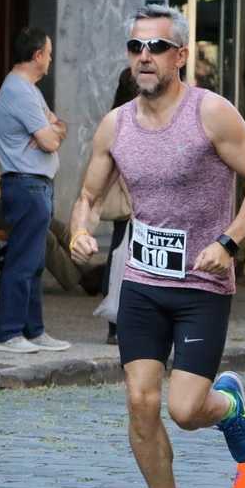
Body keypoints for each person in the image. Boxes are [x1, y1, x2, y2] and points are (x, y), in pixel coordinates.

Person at [69, 4, 245, 488]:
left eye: (157, 47)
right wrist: (80, 231)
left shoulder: (211, 113)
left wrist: (228, 242)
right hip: (142, 281)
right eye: (136, 47)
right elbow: (88, 195)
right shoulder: (116, 124)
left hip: (200, 285)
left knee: (185, 411)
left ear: (181, 55)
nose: (145, 56)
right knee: (141, 400)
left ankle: (229, 406)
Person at [0, 27, 72, 354]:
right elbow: (51, 140)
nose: (51, 59)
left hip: (37, 185)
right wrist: (50, 131)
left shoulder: (30, 90)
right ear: (37, 55)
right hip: (26, 185)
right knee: (22, 262)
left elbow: (59, 127)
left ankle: (33, 330)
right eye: (48, 53)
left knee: (36, 262)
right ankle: (8, 334)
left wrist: (52, 129)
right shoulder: (19, 92)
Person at [0, 109, 101, 295]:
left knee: (59, 228)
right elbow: (8, 177)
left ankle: (87, 269)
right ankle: (80, 280)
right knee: (44, 234)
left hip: (12, 202)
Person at [100, 68, 138, 344]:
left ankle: (116, 325)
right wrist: (134, 199)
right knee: (123, 260)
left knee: (118, 257)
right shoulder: (130, 118)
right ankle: (117, 324)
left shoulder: (115, 117)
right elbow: (123, 165)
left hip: (131, 203)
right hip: (133, 202)